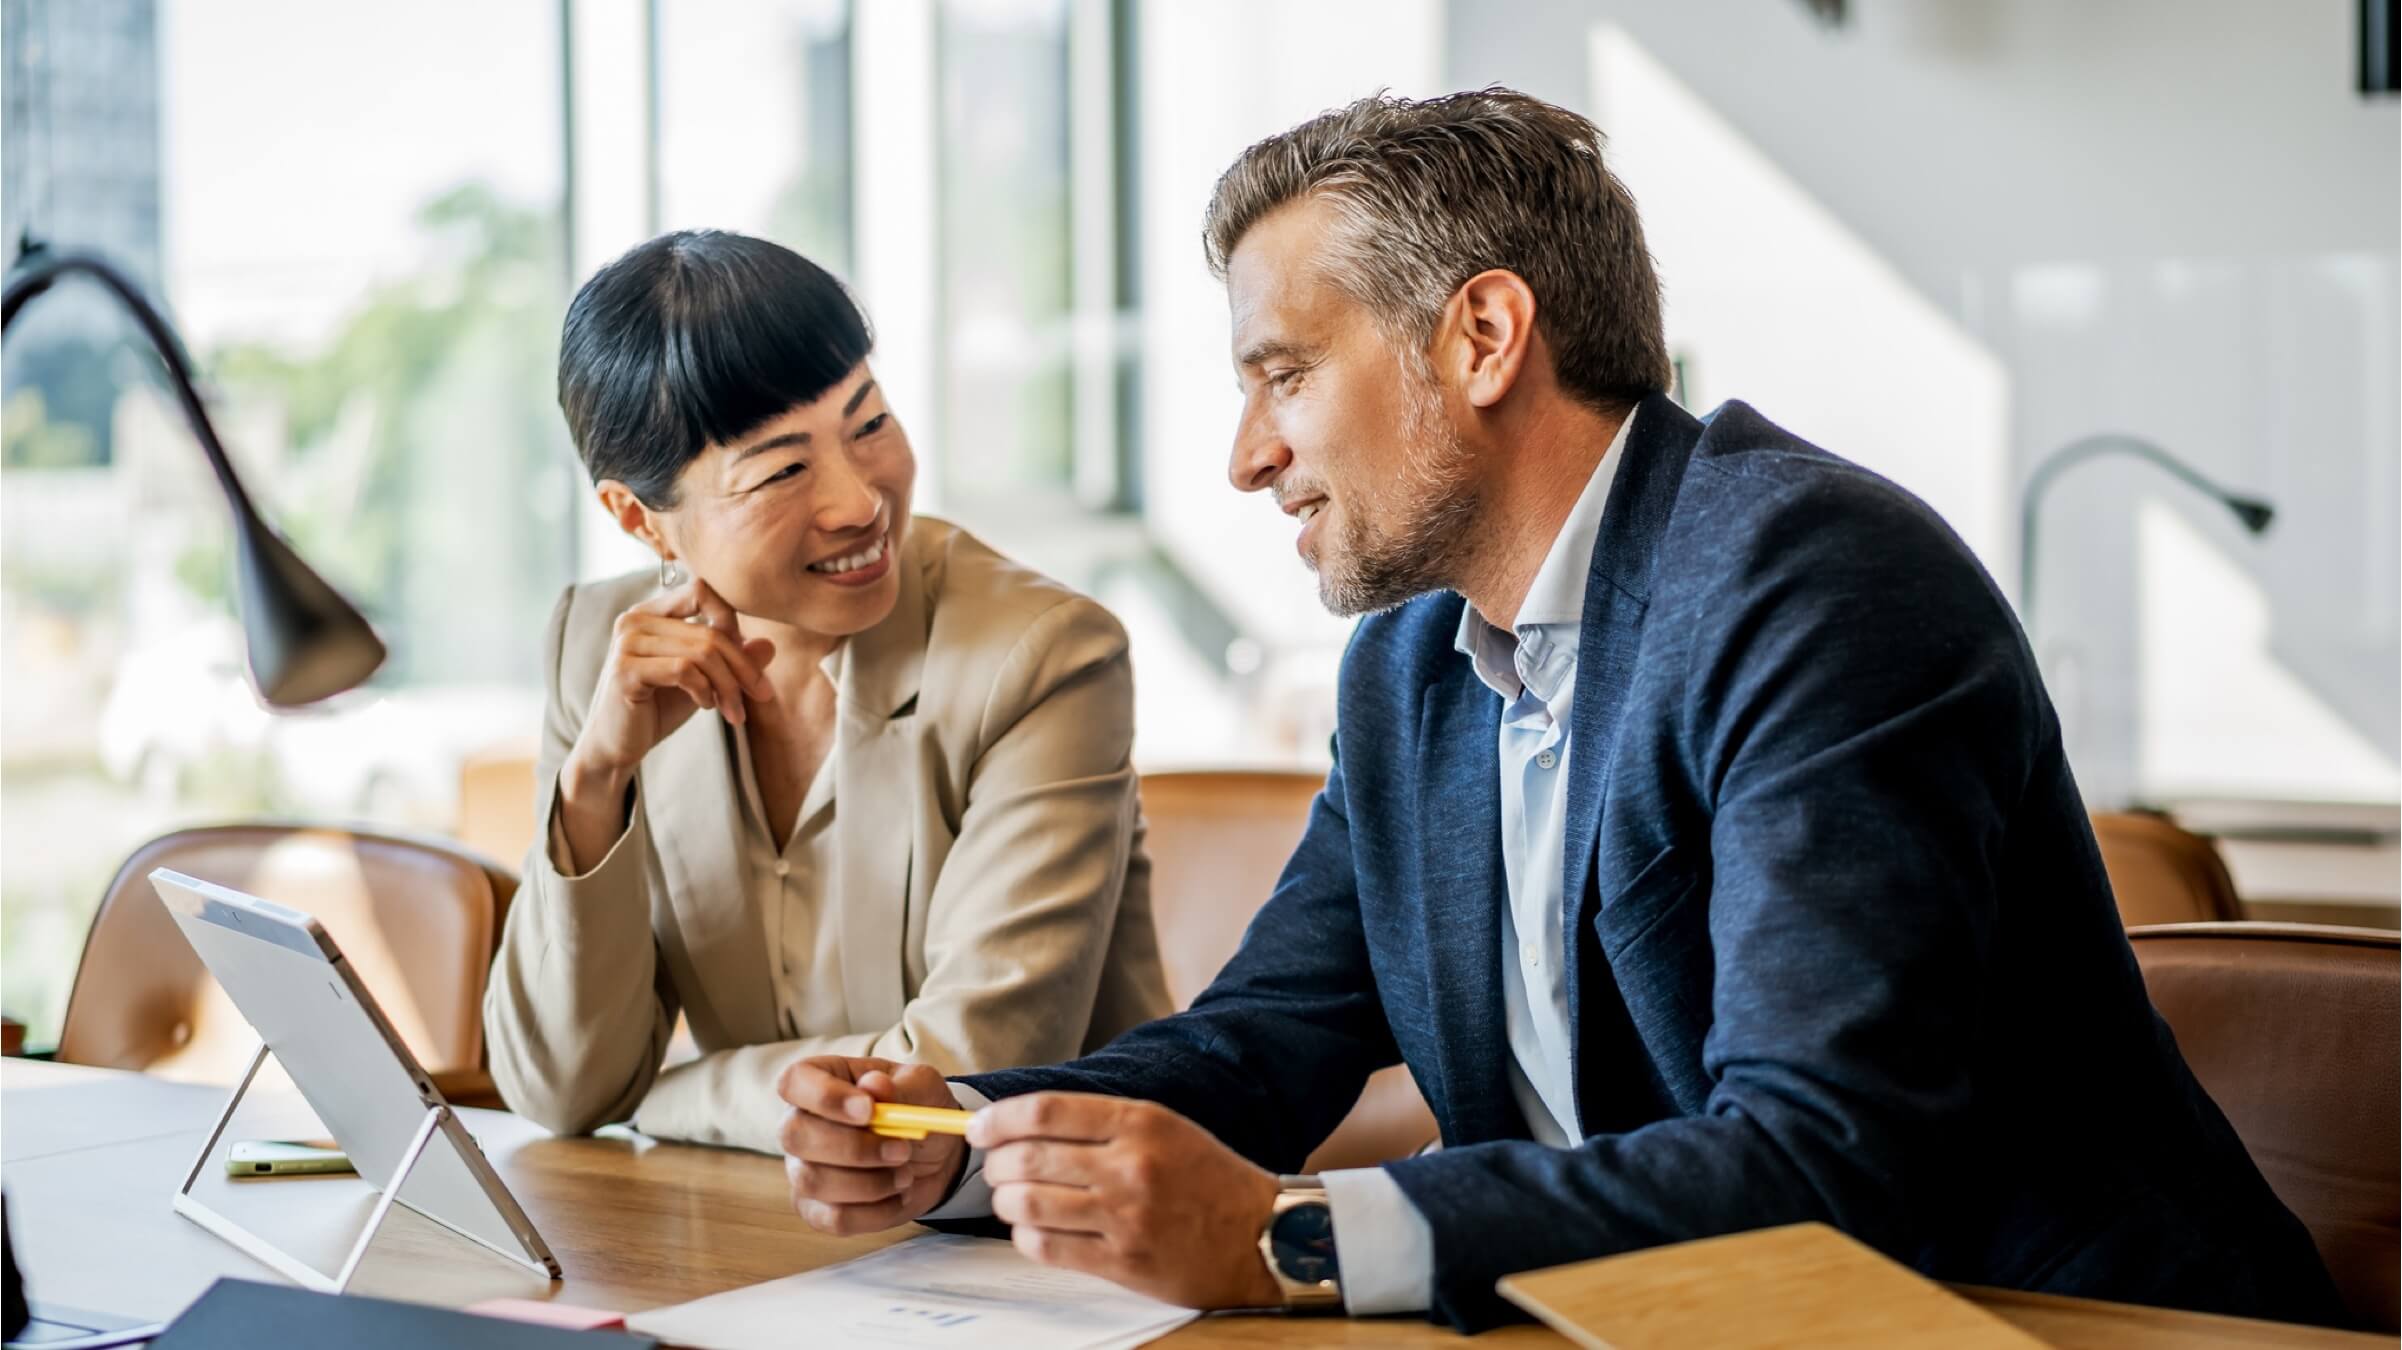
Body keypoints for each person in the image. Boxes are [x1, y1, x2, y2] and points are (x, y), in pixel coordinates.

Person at [774, 91, 2349, 1330]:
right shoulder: (1411, 669)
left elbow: (1826, 1158)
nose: (1246, 454)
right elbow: (1264, 1048)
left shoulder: (1813, 581)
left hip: (2052, 1326)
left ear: (1479, 336)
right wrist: (954, 1136)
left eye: (1282, 375)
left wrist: (1288, 1237)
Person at [483, 230, 1170, 1156]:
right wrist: (597, 778)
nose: (860, 501)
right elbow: (561, 1090)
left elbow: (961, 1078)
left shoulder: (1041, 656)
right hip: (758, 1236)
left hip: (1034, 1237)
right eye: (782, 469)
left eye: (870, 424)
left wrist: (672, 1098)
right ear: (641, 519)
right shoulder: (599, 654)